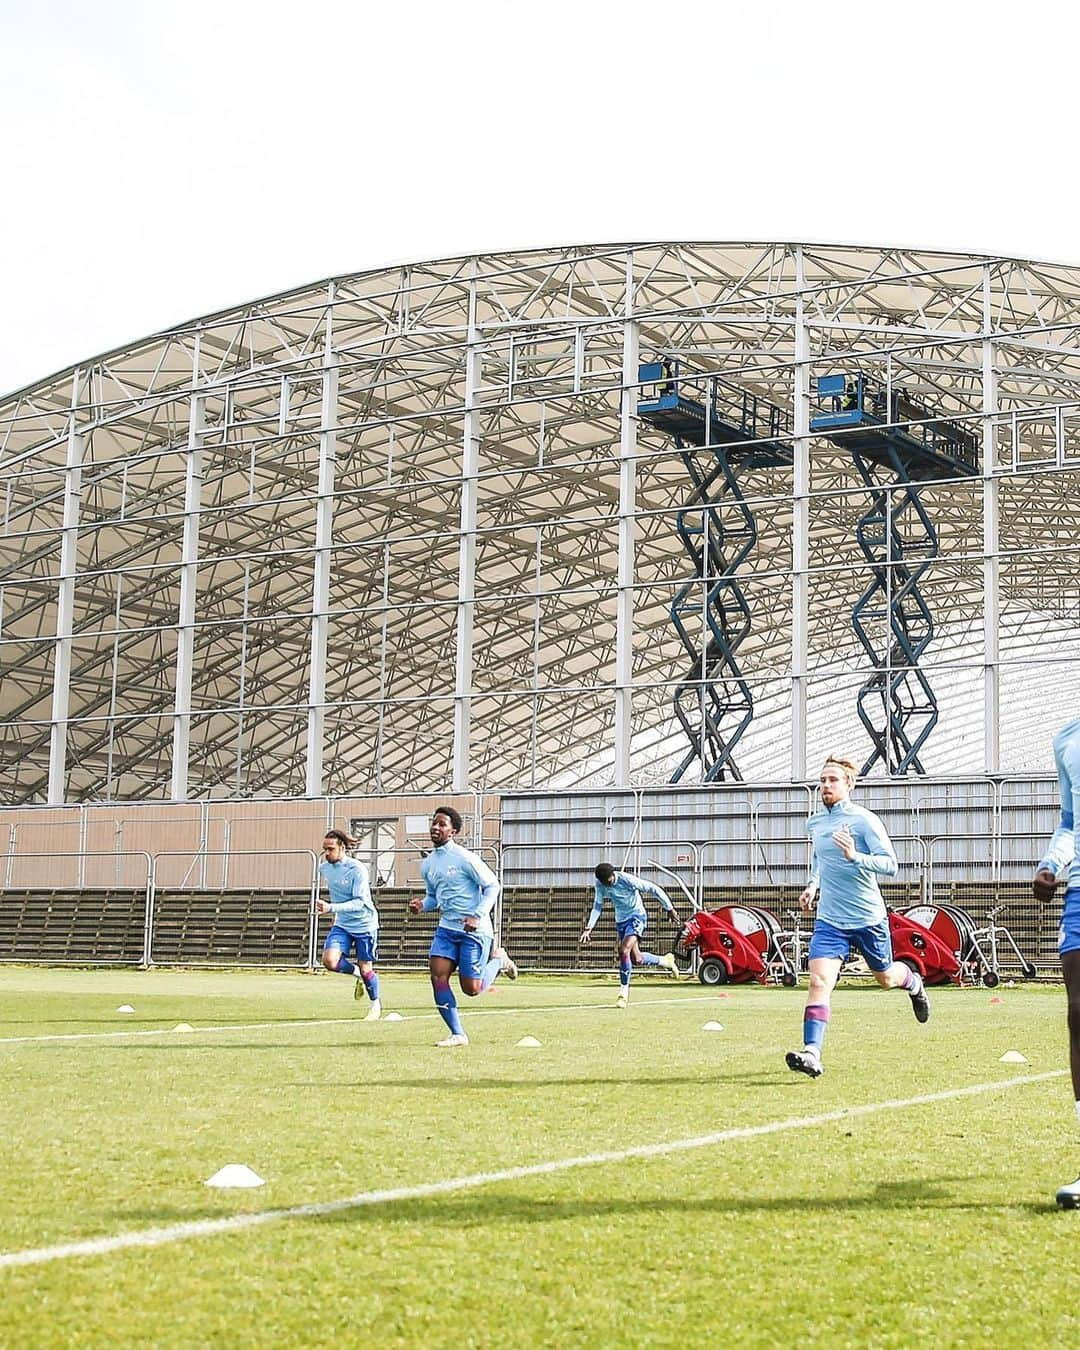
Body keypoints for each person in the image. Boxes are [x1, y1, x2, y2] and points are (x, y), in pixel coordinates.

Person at [785, 755, 929, 1078]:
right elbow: (819, 857)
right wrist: (813, 885)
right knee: (819, 981)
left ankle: (914, 983)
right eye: (822, 780)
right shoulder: (815, 823)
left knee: (886, 978)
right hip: (830, 920)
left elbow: (891, 865)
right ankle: (812, 1053)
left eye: (832, 780)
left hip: (868, 917)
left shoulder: (865, 821)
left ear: (849, 784)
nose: (825, 786)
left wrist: (855, 856)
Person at [408, 806, 517, 1047]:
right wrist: (422, 905)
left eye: (442, 824)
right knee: (438, 977)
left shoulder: (465, 858)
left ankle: (499, 959)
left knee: (472, 988)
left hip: (474, 931)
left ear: (453, 831)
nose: (435, 827)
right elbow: (433, 897)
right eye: (434, 823)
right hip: (447, 929)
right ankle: (458, 1034)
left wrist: (477, 915)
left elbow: (493, 886)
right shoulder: (428, 864)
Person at [1031, 716, 1080, 1209]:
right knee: (1078, 1015)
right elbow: (1070, 822)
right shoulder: (1066, 737)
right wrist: (1052, 863)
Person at [580, 863, 680, 1007]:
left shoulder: (627, 880)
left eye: (608, 882)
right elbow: (597, 906)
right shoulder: (600, 884)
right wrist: (589, 927)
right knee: (636, 959)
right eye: (603, 883)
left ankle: (623, 994)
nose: (607, 886)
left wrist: (669, 908)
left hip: (637, 917)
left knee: (623, 950)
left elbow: (653, 888)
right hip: (621, 921)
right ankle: (665, 961)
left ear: (612, 875)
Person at [316, 829, 382, 1021]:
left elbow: (359, 902)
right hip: (343, 925)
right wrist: (332, 913)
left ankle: (375, 1004)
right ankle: (356, 974)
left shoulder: (357, 869)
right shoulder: (324, 868)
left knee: (366, 968)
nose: (326, 853)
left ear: (342, 847)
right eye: (324, 849)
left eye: (330, 849)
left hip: (364, 925)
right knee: (329, 961)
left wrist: (331, 907)